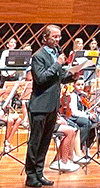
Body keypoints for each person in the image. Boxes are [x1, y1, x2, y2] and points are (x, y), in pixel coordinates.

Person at [25, 25, 84, 187]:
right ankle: (30, 176)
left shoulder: (55, 54)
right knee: (35, 143)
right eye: (54, 37)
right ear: (45, 38)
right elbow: (41, 78)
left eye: (59, 37)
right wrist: (58, 64)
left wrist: (72, 76)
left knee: (45, 142)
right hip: (39, 106)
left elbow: (59, 77)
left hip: (52, 106)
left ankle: (39, 173)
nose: (58, 40)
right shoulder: (38, 56)